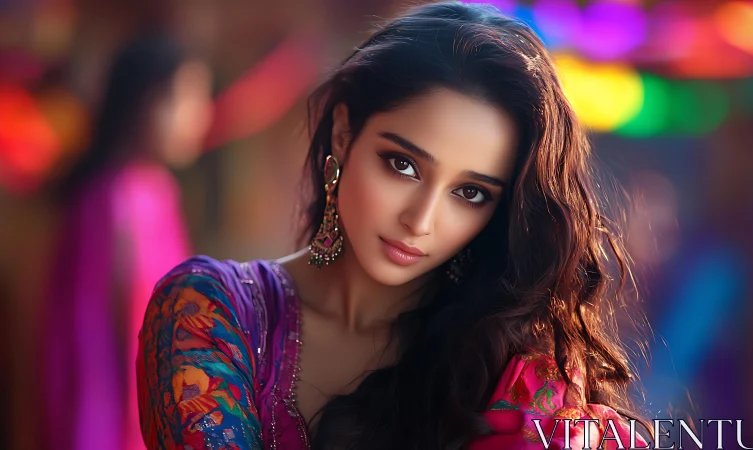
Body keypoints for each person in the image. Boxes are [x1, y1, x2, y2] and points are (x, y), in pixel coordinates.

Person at [137, 3, 652, 449]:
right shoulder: (211, 312)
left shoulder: (515, 373)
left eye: (469, 193)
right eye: (403, 165)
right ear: (343, 134)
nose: (421, 220)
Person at [42, 31, 213, 450]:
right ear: (146, 104)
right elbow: (89, 353)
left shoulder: (158, 192)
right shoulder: (108, 202)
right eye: (188, 100)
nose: (202, 116)